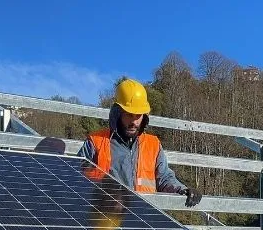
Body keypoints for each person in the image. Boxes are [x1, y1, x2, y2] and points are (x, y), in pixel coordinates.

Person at [80, 78, 202, 207]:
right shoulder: (95, 142)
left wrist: (181, 189)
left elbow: (164, 178)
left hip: (144, 214)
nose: (134, 122)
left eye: (138, 115)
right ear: (117, 113)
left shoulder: (153, 144)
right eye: (129, 114)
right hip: (105, 216)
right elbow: (74, 179)